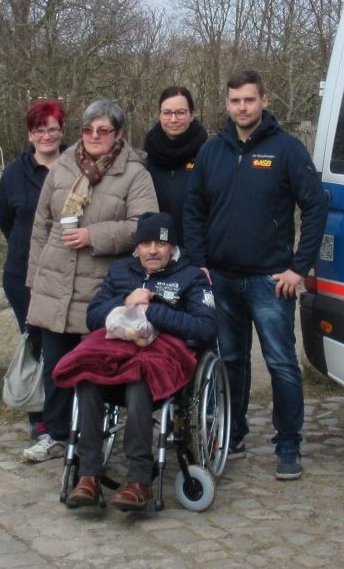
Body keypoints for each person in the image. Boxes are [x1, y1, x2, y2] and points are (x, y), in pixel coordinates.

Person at [183, 69, 328, 480]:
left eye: (249, 100)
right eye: (235, 101)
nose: (242, 107)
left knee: (281, 363)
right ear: (226, 104)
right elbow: (194, 208)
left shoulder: (287, 149)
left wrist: (298, 267)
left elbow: (315, 206)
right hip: (222, 279)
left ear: (264, 101)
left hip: (270, 281)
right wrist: (198, 263)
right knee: (230, 360)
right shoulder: (213, 151)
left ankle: (287, 446)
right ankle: (235, 433)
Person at [22, 99, 158, 463]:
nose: (94, 137)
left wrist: (93, 235)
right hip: (55, 280)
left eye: (103, 130)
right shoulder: (64, 165)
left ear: (118, 134)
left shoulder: (135, 173)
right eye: (87, 130)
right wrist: (34, 275)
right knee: (55, 366)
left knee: (91, 368)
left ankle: (89, 442)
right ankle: (55, 433)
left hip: (101, 285)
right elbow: (41, 225)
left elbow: (142, 226)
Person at [58, 211, 218, 511]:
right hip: (113, 353)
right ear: (137, 247)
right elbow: (93, 318)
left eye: (160, 243)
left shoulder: (191, 276)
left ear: (172, 248)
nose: (153, 250)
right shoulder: (120, 272)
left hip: (161, 358)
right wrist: (124, 302)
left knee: (138, 381)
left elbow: (206, 328)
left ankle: (138, 480)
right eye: (145, 244)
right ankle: (88, 475)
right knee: (88, 378)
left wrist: (154, 310)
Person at [0, 99, 66, 440]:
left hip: (70, 274)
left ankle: (68, 417)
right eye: (40, 130)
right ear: (30, 134)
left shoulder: (77, 166)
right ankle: (39, 419)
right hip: (24, 276)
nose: (47, 136)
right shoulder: (13, 174)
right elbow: (4, 219)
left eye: (53, 129)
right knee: (37, 344)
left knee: (65, 347)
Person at [142, 86, 208, 246]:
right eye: (167, 113)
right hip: (155, 250)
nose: (173, 119)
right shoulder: (145, 156)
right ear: (159, 114)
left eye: (180, 112)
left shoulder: (208, 152)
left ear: (192, 115)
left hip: (198, 248)